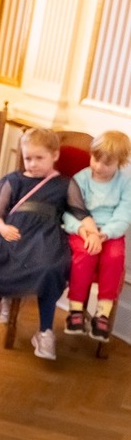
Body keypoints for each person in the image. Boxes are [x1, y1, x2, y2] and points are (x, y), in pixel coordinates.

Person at [0, 128, 90, 361]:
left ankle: (45, 331)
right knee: (5, 259)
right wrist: (2, 228)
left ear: (54, 155)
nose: (33, 164)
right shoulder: (13, 180)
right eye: (28, 158)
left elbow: (79, 211)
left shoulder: (65, 184)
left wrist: (92, 230)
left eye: (39, 158)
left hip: (46, 236)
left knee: (50, 269)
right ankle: (7, 296)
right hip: (15, 232)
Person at [61, 130, 131, 342]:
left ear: (120, 162)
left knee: (115, 257)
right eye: (95, 159)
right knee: (85, 254)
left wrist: (104, 234)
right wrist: (82, 230)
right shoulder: (81, 179)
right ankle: (75, 310)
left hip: (110, 232)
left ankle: (102, 312)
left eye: (107, 164)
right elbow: (69, 210)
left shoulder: (125, 183)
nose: (99, 167)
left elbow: (124, 214)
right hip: (82, 230)